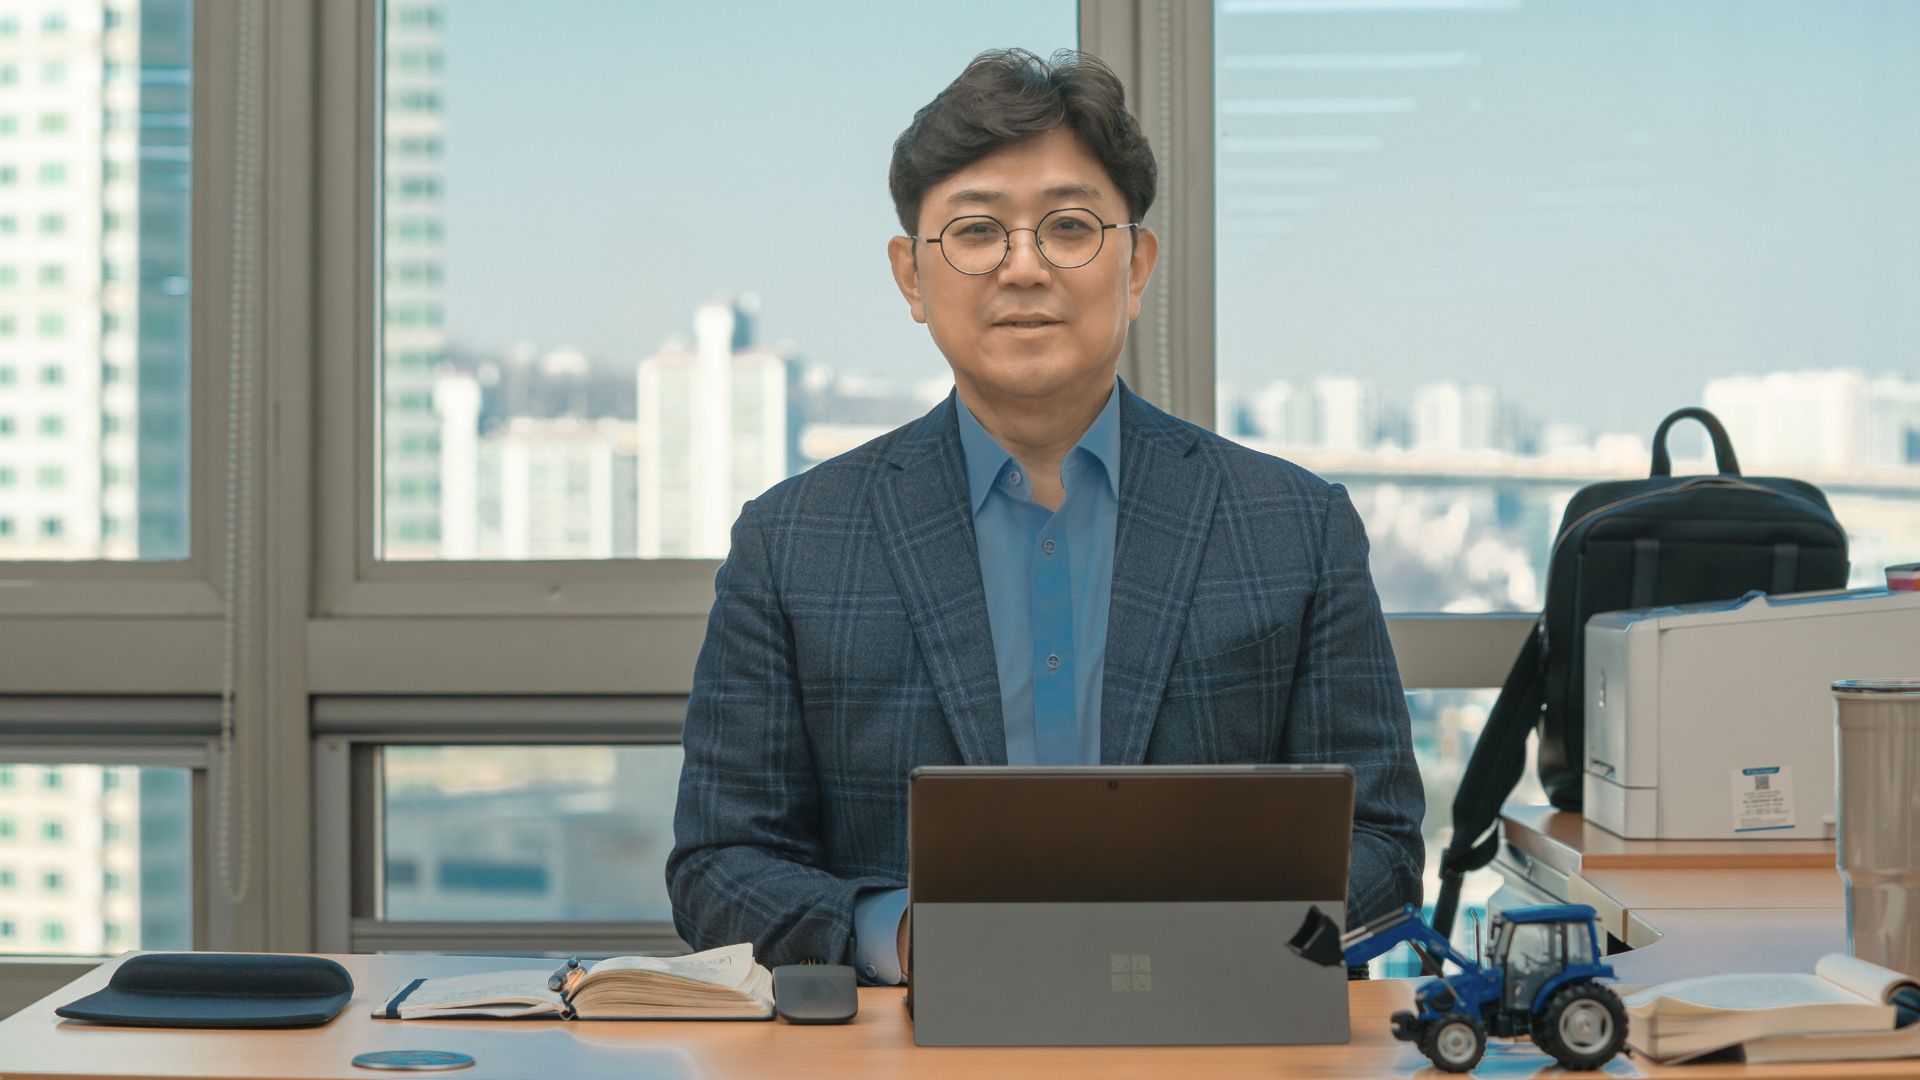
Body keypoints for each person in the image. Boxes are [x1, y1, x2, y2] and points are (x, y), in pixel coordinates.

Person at [668, 48, 1423, 984]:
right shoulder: (792, 544)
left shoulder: (1294, 528)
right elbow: (719, 866)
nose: (1023, 269)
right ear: (911, 276)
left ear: (1136, 264)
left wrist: (1217, 948)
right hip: (911, 1045)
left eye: (1069, 227)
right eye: (977, 233)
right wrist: (907, 939)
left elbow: (1383, 850)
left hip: (1213, 1032)